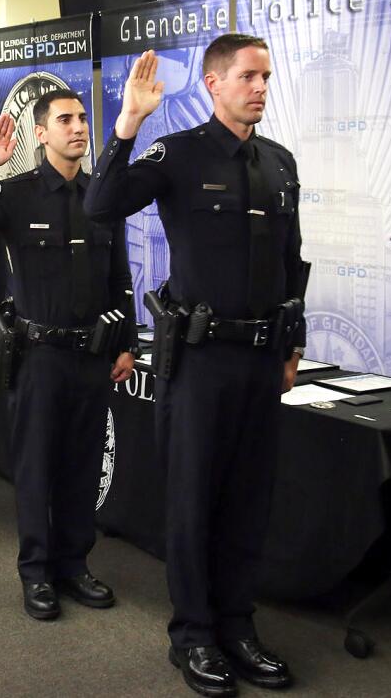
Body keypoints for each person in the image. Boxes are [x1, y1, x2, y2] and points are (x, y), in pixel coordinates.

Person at [84, 38, 305, 696]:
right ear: (214, 82)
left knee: (247, 501)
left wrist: (292, 345)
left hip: (262, 360)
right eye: (247, 75)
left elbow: (293, 263)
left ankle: (239, 627)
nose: (260, 86)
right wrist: (128, 123)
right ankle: (195, 636)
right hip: (201, 360)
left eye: (266, 75)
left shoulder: (279, 163)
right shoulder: (177, 154)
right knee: (192, 502)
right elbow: (101, 204)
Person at [0, 89, 138, 620]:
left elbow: (119, 275)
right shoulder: (16, 194)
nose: (78, 128)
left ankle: (73, 565)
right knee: (36, 468)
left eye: (82, 119)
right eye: (65, 120)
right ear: (42, 133)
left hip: (93, 356)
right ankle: (36, 574)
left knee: (82, 464)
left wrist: (126, 344)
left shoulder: (102, 195)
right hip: (39, 356)